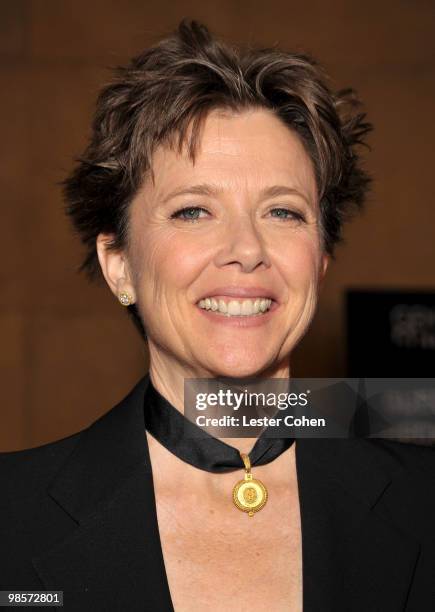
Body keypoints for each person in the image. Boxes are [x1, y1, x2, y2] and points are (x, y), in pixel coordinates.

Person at [1, 19, 435, 612]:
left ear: (321, 260)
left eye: (282, 212)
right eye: (193, 211)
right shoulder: (12, 517)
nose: (248, 249)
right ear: (119, 265)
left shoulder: (423, 501)